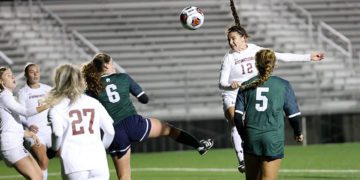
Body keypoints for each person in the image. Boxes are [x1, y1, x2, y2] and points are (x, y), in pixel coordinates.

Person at [219, 0, 324, 173]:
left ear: (243, 38)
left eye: (233, 39)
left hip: (251, 91)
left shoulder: (255, 49)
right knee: (236, 121)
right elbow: (221, 83)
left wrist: (308, 57)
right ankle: (242, 160)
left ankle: (256, 154)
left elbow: (281, 56)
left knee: (252, 125)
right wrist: (231, 85)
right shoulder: (228, 58)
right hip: (233, 94)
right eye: (228, 40)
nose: (231, 43)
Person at [81, 53, 214, 180]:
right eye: (112, 63)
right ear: (106, 66)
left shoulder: (92, 88)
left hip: (114, 132)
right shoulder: (123, 78)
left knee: (124, 177)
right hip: (134, 124)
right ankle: (198, 145)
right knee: (168, 129)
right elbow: (144, 99)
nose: (114, 66)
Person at [234, 49, 304, 180]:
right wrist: (298, 132)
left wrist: (245, 136)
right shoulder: (283, 85)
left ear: (256, 64)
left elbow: (237, 117)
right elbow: (293, 116)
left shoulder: (245, 85)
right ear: (274, 64)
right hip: (273, 139)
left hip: (251, 137)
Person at [45, 64, 115, 180]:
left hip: (74, 165)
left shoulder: (56, 108)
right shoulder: (94, 103)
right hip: (99, 162)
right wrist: (101, 149)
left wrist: (53, 150)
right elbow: (110, 131)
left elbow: (57, 134)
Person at [0, 66, 51, 180]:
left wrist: (30, 133)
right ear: (1, 81)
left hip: (15, 143)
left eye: (12, 74)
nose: (13, 77)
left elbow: (12, 123)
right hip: (11, 146)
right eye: (8, 75)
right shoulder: (4, 97)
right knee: (36, 178)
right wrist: (48, 104)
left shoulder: (8, 96)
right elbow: (26, 112)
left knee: (39, 176)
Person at [17, 63, 52, 180]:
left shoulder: (48, 89)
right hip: (35, 133)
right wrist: (28, 124)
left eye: (37, 71)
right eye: (32, 72)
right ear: (26, 75)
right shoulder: (23, 92)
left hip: (50, 131)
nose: (36, 74)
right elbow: (21, 113)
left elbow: (56, 107)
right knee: (43, 160)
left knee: (68, 154)